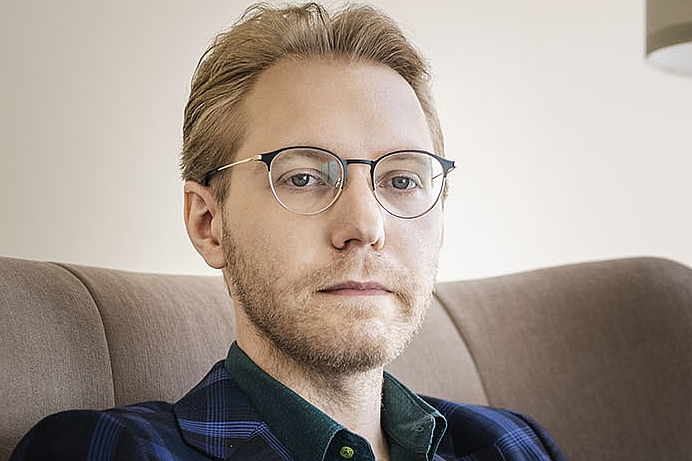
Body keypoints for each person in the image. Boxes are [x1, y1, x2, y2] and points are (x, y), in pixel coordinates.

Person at [11, 2, 566, 460]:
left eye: (401, 180)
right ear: (209, 224)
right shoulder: (115, 450)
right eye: (303, 178)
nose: (365, 226)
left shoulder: (513, 445)